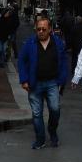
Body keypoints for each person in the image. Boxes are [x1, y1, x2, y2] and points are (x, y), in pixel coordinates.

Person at [18, 15, 68, 149]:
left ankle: (52, 131)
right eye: (38, 29)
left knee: (55, 109)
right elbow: (22, 61)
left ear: (50, 29)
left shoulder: (57, 43)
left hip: (52, 82)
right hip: (35, 84)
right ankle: (40, 139)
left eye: (43, 29)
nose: (40, 31)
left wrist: (62, 80)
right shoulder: (30, 43)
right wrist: (24, 80)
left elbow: (64, 62)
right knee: (37, 113)